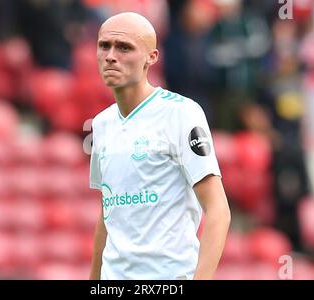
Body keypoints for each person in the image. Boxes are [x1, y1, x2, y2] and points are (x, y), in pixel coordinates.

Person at [89, 12, 231, 280]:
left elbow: (218, 210)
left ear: (151, 58)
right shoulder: (101, 124)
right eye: (104, 45)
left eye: (124, 47)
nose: (110, 55)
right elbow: (108, 210)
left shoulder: (181, 114)